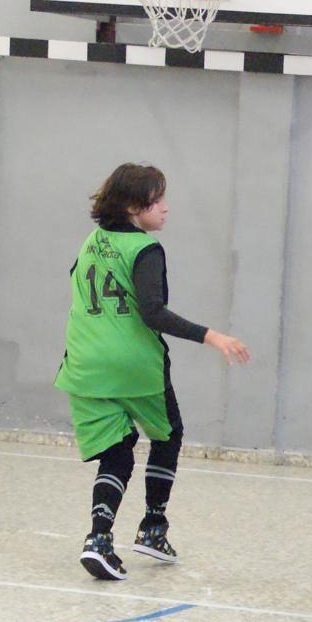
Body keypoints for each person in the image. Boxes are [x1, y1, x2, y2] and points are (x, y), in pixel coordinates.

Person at [54, 163, 250, 581]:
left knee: (117, 450)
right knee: (168, 433)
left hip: (84, 363)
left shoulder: (92, 241)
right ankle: (153, 527)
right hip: (133, 365)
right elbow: (152, 312)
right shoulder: (144, 248)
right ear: (132, 206)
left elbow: (76, 283)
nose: (166, 208)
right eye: (157, 200)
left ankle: (99, 540)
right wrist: (211, 336)